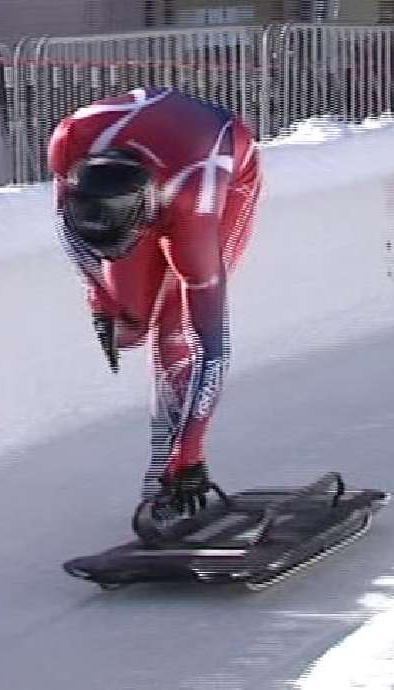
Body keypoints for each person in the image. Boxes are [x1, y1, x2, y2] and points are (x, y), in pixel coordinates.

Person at [49, 87, 261, 519]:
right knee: (129, 327)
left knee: (175, 330)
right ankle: (172, 453)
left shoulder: (194, 206)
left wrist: (192, 453)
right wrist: (100, 299)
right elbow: (70, 231)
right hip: (158, 165)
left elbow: (212, 347)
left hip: (217, 173)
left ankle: (167, 465)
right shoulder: (67, 144)